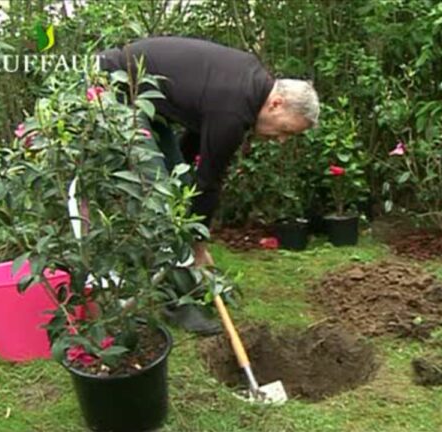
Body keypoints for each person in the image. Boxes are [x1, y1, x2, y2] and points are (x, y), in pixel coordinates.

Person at [98, 36, 320, 334]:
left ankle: (185, 278)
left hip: (143, 98)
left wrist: (180, 182)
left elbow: (196, 137)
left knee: (178, 187)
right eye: (285, 130)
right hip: (113, 89)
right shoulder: (235, 109)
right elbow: (209, 181)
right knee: (158, 199)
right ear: (276, 104)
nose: (280, 140)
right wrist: (198, 246)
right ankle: (176, 303)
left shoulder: (250, 83)